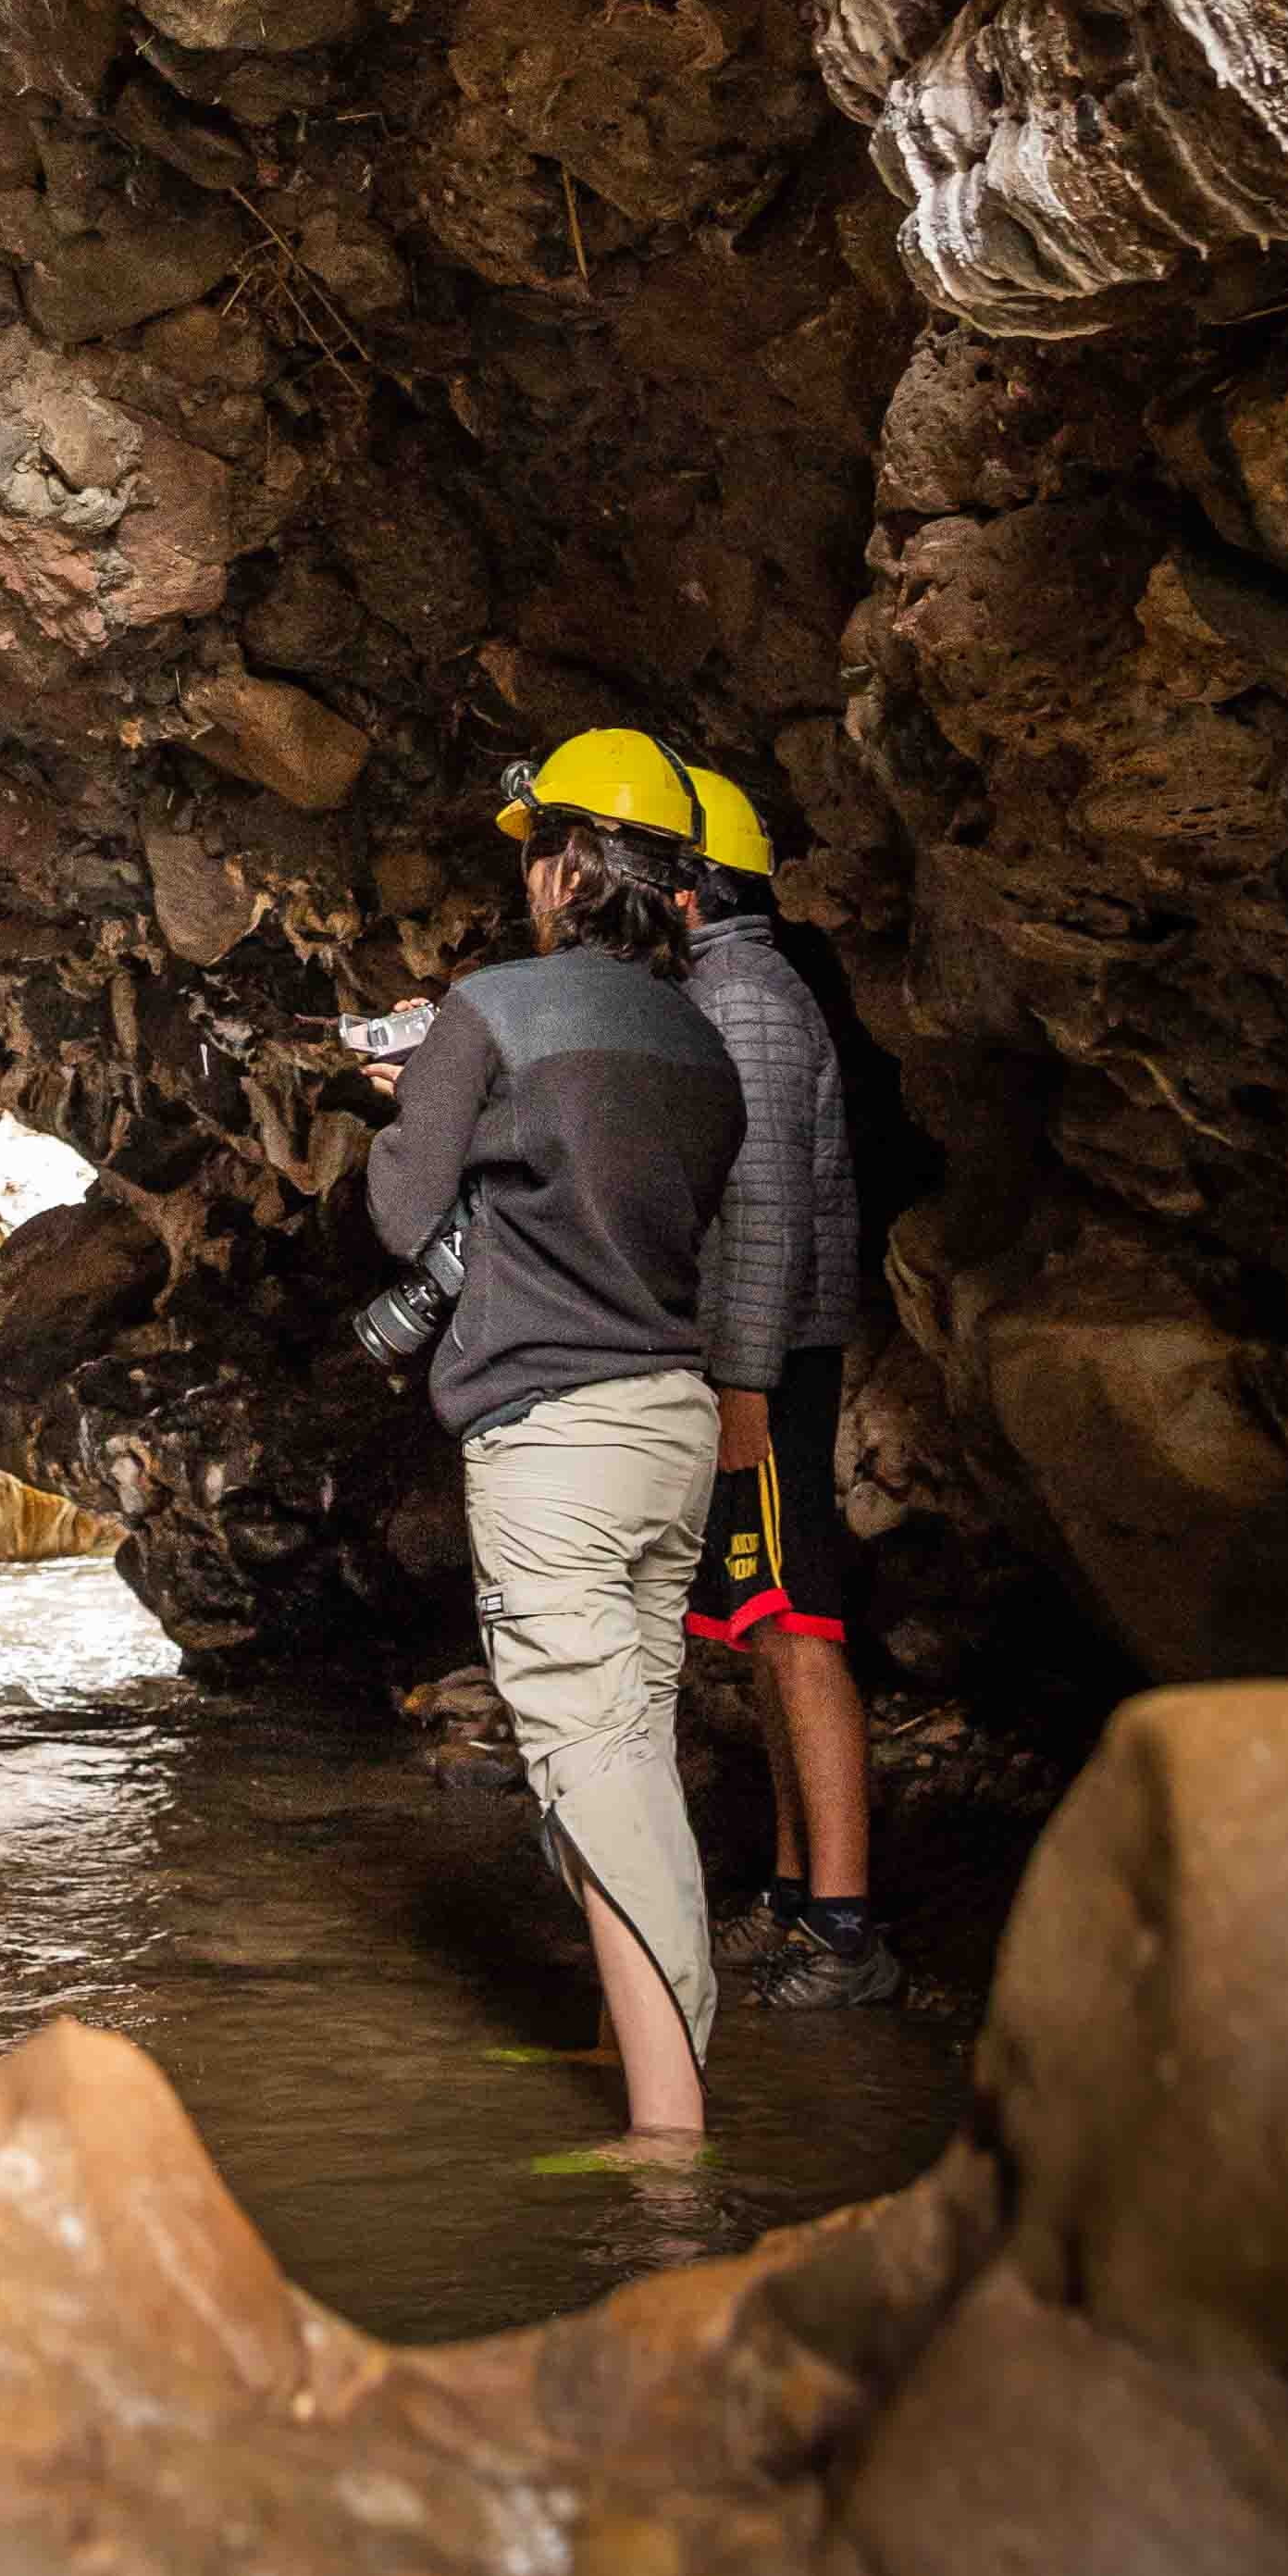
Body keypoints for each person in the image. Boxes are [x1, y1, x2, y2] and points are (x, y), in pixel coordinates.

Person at [367, 728, 746, 2143]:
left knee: (592, 1764)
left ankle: (669, 2140)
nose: (527, 874)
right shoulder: (699, 1036)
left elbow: (410, 1215)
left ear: (575, 864)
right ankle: (630, 2048)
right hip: (671, 1421)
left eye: (537, 848)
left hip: (555, 1442)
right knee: (634, 1747)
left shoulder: (493, 1007)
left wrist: (413, 1099)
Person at [677, 766, 900, 2010]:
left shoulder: (746, 1002)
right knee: (760, 1622)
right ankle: (794, 1889)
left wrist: (745, 1382)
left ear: (693, 881)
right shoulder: (723, 989)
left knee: (797, 1623)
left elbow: (761, 1211)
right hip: (750, 1358)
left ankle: (846, 1927)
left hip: (767, 1363)